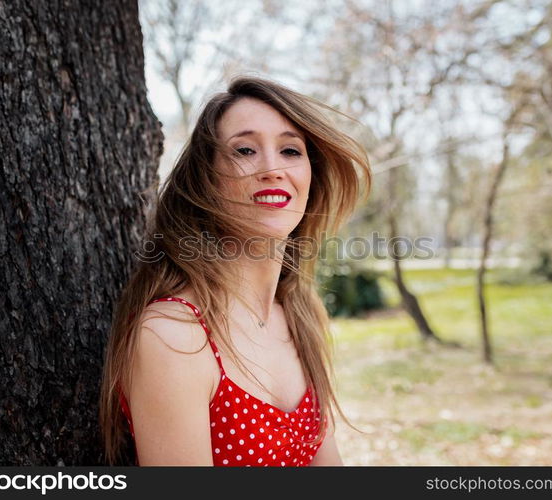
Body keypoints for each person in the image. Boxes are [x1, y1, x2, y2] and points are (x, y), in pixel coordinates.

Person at [99, 75, 371, 466]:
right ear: (206, 180)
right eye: (245, 150)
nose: (273, 168)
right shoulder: (175, 334)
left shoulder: (298, 315)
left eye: (291, 151)